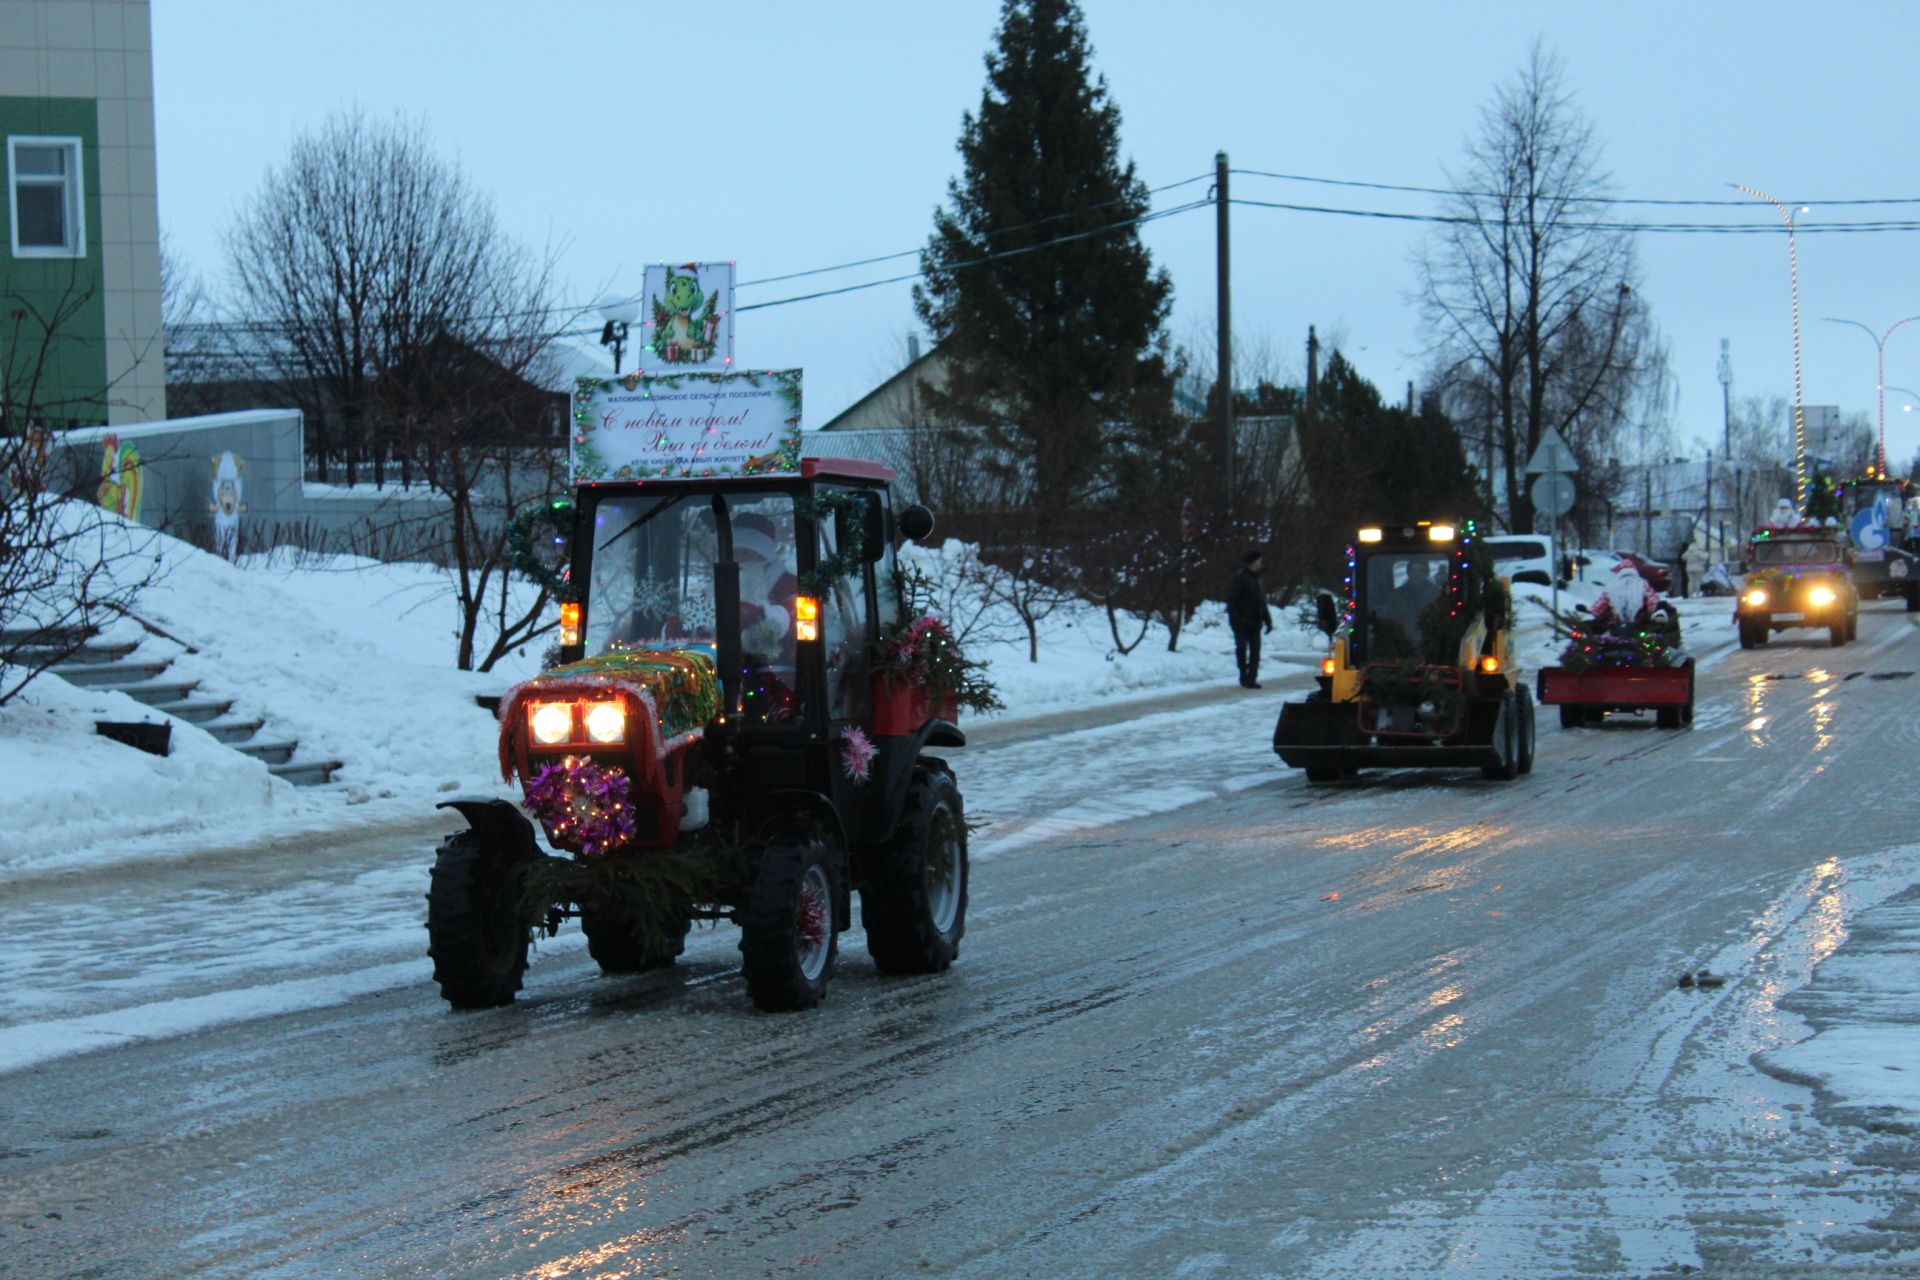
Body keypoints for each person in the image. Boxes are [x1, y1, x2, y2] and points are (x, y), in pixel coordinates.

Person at [1227, 549, 1274, 688]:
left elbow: (1261, 602)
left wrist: (1268, 620)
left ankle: (1251, 678)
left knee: (1255, 651)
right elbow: (1232, 600)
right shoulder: (1240, 578)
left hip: (1255, 621)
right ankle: (1243, 672)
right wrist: (1235, 619)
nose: (1261, 563)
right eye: (1259, 560)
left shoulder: (1258, 579)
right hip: (1241, 621)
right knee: (1241, 648)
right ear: (1253, 562)